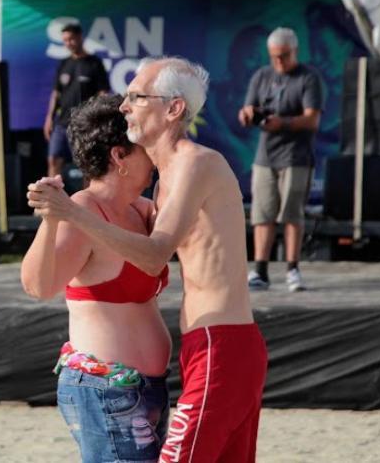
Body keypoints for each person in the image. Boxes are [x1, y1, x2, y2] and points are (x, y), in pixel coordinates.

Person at [28, 57, 267, 463]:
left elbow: (155, 255)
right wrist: (59, 217)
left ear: (173, 109)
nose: (125, 106)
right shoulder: (163, 185)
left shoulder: (193, 165)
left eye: (136, 97)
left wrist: (70, 212)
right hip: (189, 355)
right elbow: (40, 283)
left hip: (219, 346)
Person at [21, 94, 172, 463]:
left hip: (143, 389)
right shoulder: (85, 210)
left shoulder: (141, 209)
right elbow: (38, 287)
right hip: (106, 389)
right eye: (144, 147)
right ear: (120, 156)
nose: (154, 155)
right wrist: (53, 218)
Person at [237, 27, 324, 292]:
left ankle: (292, 268)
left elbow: (312, 119)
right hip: (265, 156)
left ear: (295, 52)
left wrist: (282, 123)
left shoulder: (308, 78)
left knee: (292, 213)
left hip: (296, 156)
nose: (278, 62)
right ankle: (260, 269)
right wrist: (248, 114)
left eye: (284, 56)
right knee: (262, 213)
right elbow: (245, 112)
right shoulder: (261, 76)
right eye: (274, 56)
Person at [42, 23, 110, 178]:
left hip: (84, 124)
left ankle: (86, 200)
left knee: (87, 165)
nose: (68, 43)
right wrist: (49, 118)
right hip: (62, 123)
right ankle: (53, 199)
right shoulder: (64, 63)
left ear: (80, 38)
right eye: (65, 40)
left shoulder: (94, 63)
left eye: (71, 39)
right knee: (53, 159)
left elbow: (103, 93)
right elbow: (56, 93)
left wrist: (97, 118)